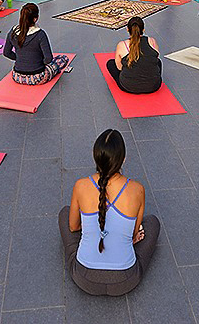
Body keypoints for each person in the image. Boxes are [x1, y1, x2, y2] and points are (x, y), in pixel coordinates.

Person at [59, 129, 159, 296]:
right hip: (126, 280)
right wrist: (128, 238)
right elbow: (134, 233)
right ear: (123, 159)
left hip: (84, 278)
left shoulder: (81, 185)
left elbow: (73, 227)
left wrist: (94, 227)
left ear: (95, 157)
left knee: (65, 214)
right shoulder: (137, 189)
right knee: (152, 223)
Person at [4, 3, 70, 85]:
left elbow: (6, 53)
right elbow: (48, 59)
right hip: (37, 77)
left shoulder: (13, 32)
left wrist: (19, 58)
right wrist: (37, 63)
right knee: (63, 59)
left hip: (17, 76)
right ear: (35, 19)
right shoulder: (40, 34)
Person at [105, 16, 162, 94]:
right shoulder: (152, 41)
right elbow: (155, 59)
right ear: (143, 30)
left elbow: (119, 67)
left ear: (128, 29)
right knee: (158, 62)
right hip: (154, 86)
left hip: (129, 87)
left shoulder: (123, 45)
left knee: (110, 64)